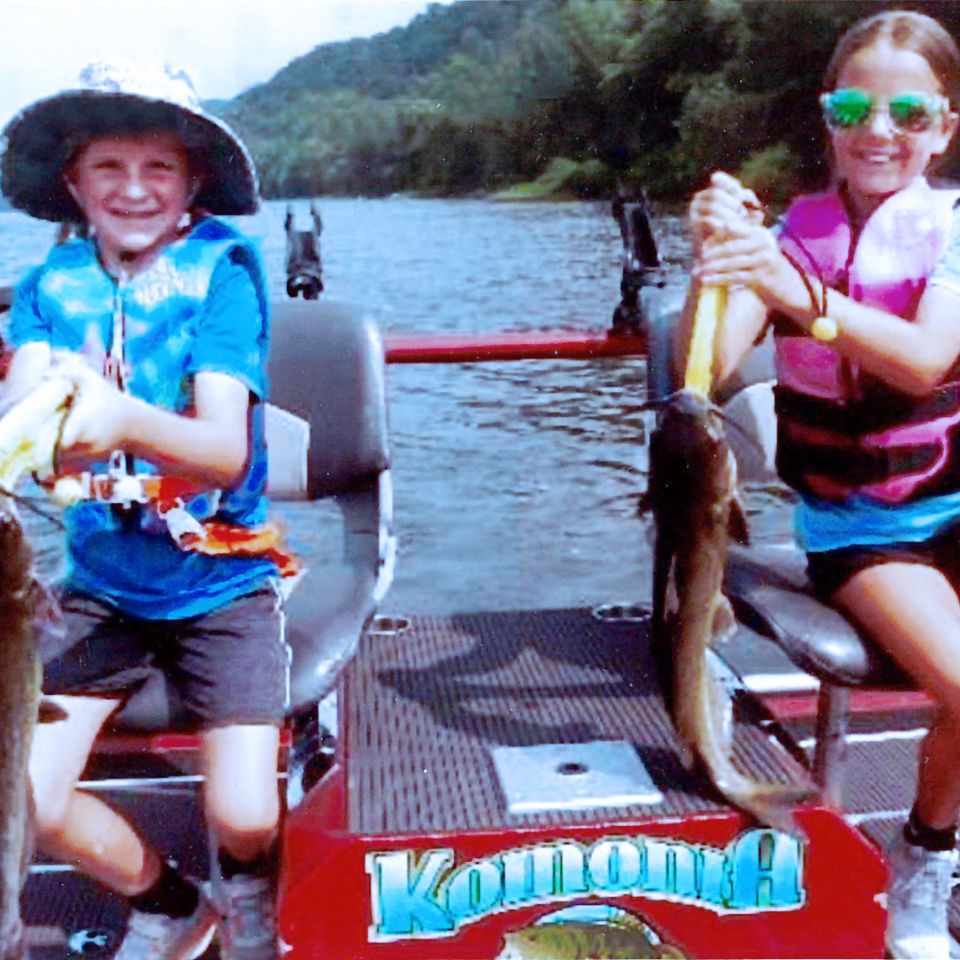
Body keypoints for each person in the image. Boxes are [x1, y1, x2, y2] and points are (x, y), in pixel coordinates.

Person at [683, 10, 960, 960]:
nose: (879, 131)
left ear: (944, 129)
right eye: (854, 109)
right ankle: (924, 860)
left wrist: (803, 297)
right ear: (827, 117)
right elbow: (708, 369)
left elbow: (922, 360)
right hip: (866, 528)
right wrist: (718, 261)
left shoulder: (953, 232)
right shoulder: (786, 239)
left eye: (908, 114)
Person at [0, 60, 288, 960]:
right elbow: (25, 408)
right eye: (109, 168)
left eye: (158, 167)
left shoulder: (223, 276)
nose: (134, 189)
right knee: (28, 798)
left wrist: (122, 419)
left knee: (246, 811)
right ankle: (169, 901)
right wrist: (31, 428)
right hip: (98, 588)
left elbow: (224, 450)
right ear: (73, 182)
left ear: (193, 181)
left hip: (222, 582)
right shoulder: (47, 289)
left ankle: (248, 890)